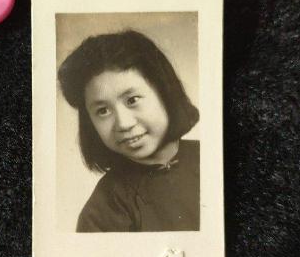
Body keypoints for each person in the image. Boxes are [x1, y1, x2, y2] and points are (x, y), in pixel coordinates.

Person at [58, 30, 200, 232]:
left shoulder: (211, 157)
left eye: (132, 100)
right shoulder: (104, 210)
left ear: (165, 93)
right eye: (103, 111)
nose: (124, 124)